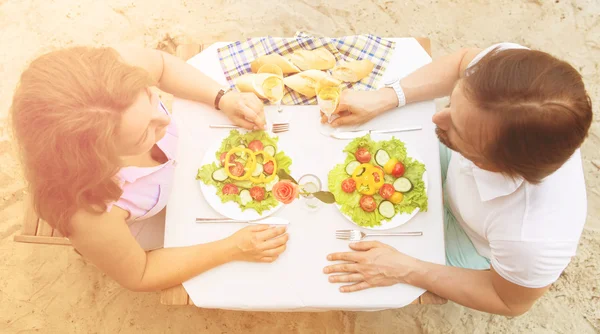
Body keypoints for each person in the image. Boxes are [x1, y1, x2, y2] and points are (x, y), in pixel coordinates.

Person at [322, 43, 592, 316]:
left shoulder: (532, 239)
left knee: (358, 262)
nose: (437, 118)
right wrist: (387, 96)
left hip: (471, 239)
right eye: (452, 102)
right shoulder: (513, 78)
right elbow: (462, 61)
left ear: (492, 165)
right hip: (460, 174)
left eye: (459, 128)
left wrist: (405, 269)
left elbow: (509, 301)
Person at [10, 46, 289, 292]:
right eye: (145, 134)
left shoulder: (110, 80)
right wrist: (231, 248)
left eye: (153, 100)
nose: (164, 121)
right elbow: (140, 274)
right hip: (140, 226)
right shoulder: (88, 212)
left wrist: (223, 98)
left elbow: (163, 66)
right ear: (100, 160)